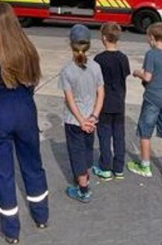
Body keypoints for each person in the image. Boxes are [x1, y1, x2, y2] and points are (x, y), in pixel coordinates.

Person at [0, 2, 48, 244]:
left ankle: (10, 229)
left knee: (3, 172)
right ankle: (41, 216)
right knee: (32, 164)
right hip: (25, 109)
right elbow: (34, 79)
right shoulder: (28, 49)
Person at [127, 23, 162, 183]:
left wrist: (137, 73)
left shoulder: (151, 54)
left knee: (145, 131)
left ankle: (145, 165)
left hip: (152, 98)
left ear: (152, 38)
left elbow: (148, 77)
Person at [59, 24, 104, 203]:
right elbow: (101, 92)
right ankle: (85, 175)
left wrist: (80, 120)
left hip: (74, 120)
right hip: (91, 118)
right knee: (86, 150)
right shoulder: (96, 67)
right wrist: (93, 116)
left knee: (76, 152)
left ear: (70, 44)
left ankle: (83, 189)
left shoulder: (67, 70)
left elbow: (69, 99)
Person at [92, 22, 130, 181]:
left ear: (104, 38)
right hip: (119, 102)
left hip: (104, 103)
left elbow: (95, 82)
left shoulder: (99, 59)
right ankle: (119, 167)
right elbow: (125, 76)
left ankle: (105, 167)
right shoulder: (123, 58)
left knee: (105, 136)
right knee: (119, 135)